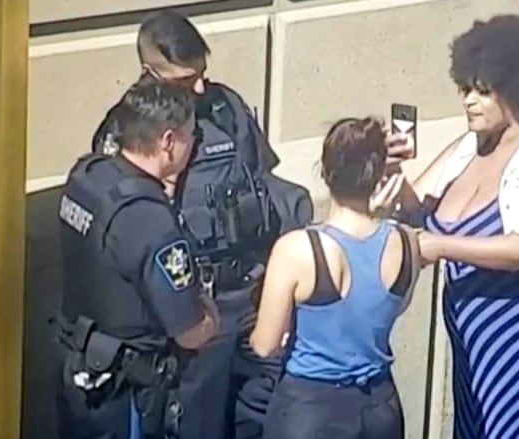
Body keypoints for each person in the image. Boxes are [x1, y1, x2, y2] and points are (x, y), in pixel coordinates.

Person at [91, 9, 313, 439]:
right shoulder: (129, 129)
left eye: (202, 74)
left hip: (251, 300)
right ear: (148, 73)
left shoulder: (225, 108)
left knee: (262, 421)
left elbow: (263, 182)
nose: (199, 88)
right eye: (184, 79)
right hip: (191, 311)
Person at [378, 14, 519, 439]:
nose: (468, 102)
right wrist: (390, 171)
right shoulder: (466, 147)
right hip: (472, 323)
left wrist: (440, 247)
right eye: (464, 89)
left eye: (483, 90)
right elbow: (415, 211)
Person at [56, 80, 221, 439]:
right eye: (192, 134)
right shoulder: (150, 222)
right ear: (168, 142)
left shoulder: (88, 177)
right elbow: (189, 333)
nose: (195, 143)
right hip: (128, 390)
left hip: (79, 368)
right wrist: (211, 318)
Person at [250, 117, 422, 439]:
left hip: (310, 408)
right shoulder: (406, 241)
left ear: (326, 173)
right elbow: (392, 308)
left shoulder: (298, 248)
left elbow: (265, 345)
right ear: (377, 174)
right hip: (380, 409)